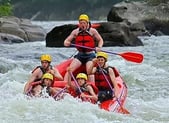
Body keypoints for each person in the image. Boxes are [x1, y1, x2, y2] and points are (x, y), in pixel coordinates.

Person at [64, 14, 104, 82]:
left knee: (89, 71)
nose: (82, 25)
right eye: (81, 23)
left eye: (84, 23)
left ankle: (92, 88)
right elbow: (66, 41)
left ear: (87, 23)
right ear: (79, 23)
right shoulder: (75, 32)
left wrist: (99, 47)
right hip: (80, 55)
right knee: (70, 70)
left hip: (90, 55)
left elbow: (100, 40)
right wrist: (66, 43)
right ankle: (65, 86)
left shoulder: (92, 31)